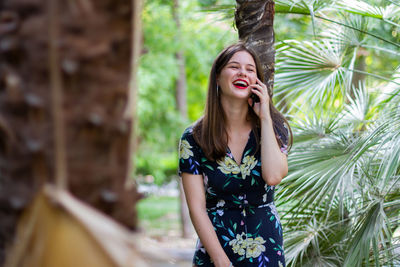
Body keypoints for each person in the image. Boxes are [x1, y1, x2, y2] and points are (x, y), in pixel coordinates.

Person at [178, 42, 292, 267]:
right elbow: (196, 208)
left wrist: (265, 117)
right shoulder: (193, 138)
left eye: (250, 70)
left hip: (266, 248)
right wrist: (221, 261)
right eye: (234, 67)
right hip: (215, 249)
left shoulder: (274, 128)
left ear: (257, 81)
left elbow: (273, 176)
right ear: (218, 77)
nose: (243, 73)